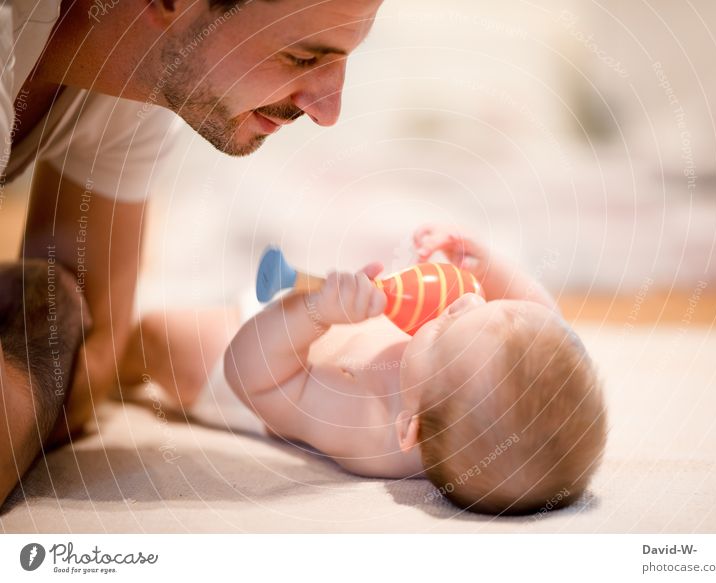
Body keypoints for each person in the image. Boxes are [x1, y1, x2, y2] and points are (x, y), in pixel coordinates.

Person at [0, 0, 383, 506]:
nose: (328, 111)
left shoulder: (136, 72)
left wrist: (50, 315)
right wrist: (50, 315)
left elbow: (87, 365)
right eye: (303, 57)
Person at [121, 225, 608, 515]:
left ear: (408, 426)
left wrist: (315, 315)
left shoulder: (366, 423)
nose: (463, 300)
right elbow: (537, 312)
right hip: (307, 323)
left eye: (443, 331)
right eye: (477, 305)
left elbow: (252, 376)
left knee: (159, 334)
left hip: (259, 361)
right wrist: (485, 264)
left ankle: (111, 363)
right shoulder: (457, 384)